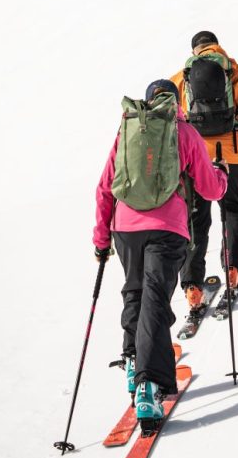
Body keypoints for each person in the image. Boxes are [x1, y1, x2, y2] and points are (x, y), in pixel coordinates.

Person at [93, 79, 227, 429]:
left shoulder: (129, 131)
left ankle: (133, 360)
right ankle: (149, 385)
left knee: (135, 290)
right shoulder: (184, 132)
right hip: (167, 229)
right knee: (155, 299)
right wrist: (222, 175)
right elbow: (209, 189)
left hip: (125, 227)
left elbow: (105, 187)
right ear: (177, 101)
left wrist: (101, 239)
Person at [171, 31, 238, 311]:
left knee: (195, 219)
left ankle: (192, 286)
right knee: (233, 210)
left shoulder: (182, 76)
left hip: (194, 157)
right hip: (232, 153)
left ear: (195, 50)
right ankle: (233, 269)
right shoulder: (236, 72)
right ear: (217, 46)